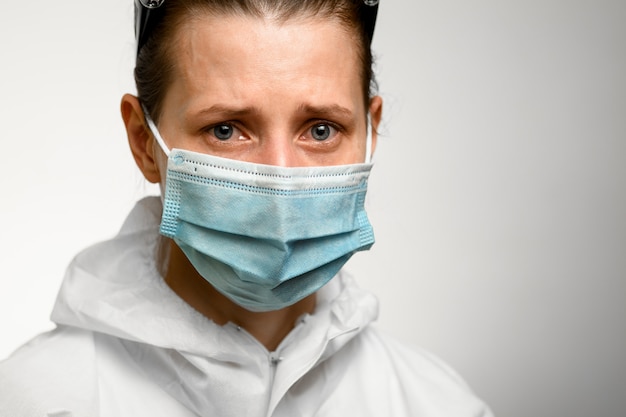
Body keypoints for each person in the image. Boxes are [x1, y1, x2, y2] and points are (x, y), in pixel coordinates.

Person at [0, 0, 493, 416]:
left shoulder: (437, 404)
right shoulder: (36, 400)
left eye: (321, 129)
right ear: (143, 142)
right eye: (227, 129)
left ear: (370, 133)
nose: (279, 175)